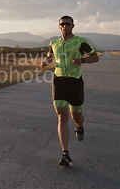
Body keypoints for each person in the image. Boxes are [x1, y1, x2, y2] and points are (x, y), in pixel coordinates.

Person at [40, 16, 99, 166]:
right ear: (59, 26)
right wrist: (45, 62)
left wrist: (83, 60)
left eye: (67, 24)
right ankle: (65, 153)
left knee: (76, 116)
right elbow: (49, 56)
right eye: (62, 24)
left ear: (73, 25)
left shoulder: (80, 41)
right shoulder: (53, 43)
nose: (65, 26)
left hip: (75, 82)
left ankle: (79, 126)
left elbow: (95, 57)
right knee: (62, 116)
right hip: (59, 81)